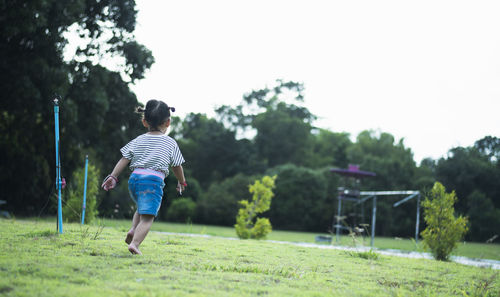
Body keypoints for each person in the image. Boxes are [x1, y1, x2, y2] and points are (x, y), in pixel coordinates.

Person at [101, 99, 187, 255]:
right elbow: (177, 166)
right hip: (152, 181)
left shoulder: (138, 139)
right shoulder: (170, 143)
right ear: (168, 122)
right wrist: (182, 181)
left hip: (134, 179)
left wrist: (113, 176)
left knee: (142, 208)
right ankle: (135, 244)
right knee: (148, 217)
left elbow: (124, 159)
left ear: (144, 121)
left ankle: (133, 229)